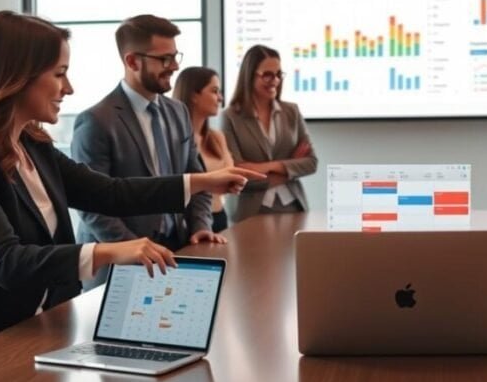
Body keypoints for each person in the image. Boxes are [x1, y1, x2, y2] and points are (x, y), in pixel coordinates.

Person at [0, 11, 262, 351]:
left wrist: (200, 182)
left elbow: (109, 192)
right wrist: (110, 251)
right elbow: (4, 261)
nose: (68, 88)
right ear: (14, 77)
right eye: (58, 73)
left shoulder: (30, 144)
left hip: (35, 331)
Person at [72, 15, 218, 290]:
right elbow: (91, 206)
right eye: (164, 59)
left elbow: (197, 177)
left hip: (176, 254)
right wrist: (135, 251)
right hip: (119, 267)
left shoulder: (178, 112)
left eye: (175, 57)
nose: (174, 66)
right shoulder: (95, 121)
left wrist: (200, 226)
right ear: (132, 61)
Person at [221, 44, 318, 223]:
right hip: (250, 211)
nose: (275, 80)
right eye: (267, 75)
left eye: (278, 74)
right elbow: (236, 174)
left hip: (294, 206)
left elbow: (311, 162)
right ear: (249, 76)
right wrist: (287, 169)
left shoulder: (291, 112)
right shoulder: (231, 117)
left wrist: (263, 167)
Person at [173, 66, 234, 233]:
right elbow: (176, 186)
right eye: (214, 91)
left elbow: (232, 180)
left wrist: (204, 183)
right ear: (194, 95)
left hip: (219, 216)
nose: (220, 98)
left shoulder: (216, 137)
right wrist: (214, 183)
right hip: (188, 223)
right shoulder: (174, 139)